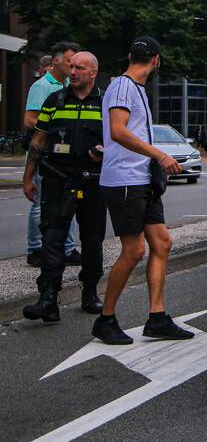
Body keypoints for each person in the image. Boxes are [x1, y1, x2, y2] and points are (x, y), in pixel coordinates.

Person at [94, 37, 192, 345]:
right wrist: (160, 155)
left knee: (161, 242)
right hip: (125, 180)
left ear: (130, 55)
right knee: (134, 250)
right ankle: (105, 319)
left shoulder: (135, 88)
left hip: (141, 179)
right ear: (156, 60)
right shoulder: (123, 86)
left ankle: (157, 318)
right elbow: (118, 131)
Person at [21, 52, 107, 322]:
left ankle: (90, 292)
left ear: (93, 72)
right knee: (52, 238)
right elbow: (38, 140)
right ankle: (48, 298)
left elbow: (119, 138)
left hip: (93, 181)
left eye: (79, 67)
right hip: (57, 179)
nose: (73, 72)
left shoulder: (105, 102)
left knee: (92, 239)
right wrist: (28, 178)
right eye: (71, 66)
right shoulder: (54, 100)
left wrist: (104, 151)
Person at [23, 42, 81, 268]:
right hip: (45, 153)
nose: (73, 67)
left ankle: (68, 248)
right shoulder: (42, 86)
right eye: (69, 62)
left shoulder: (70, 85)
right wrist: (57, 126)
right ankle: (35, 249)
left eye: (76, 63)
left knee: (70, 199)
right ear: (56, 61)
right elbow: (29, 120)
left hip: (64, 154)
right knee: (40, 202)